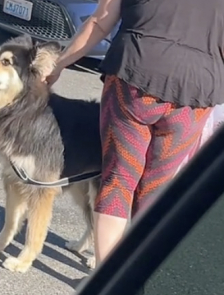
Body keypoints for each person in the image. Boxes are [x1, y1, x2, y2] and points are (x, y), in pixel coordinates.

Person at [44, 0, 224, 269]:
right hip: (195, 93)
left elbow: (99, 21)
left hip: (134, 76)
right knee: (157, 188)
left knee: (119, 179)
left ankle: (107, 278)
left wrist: (59, 63)